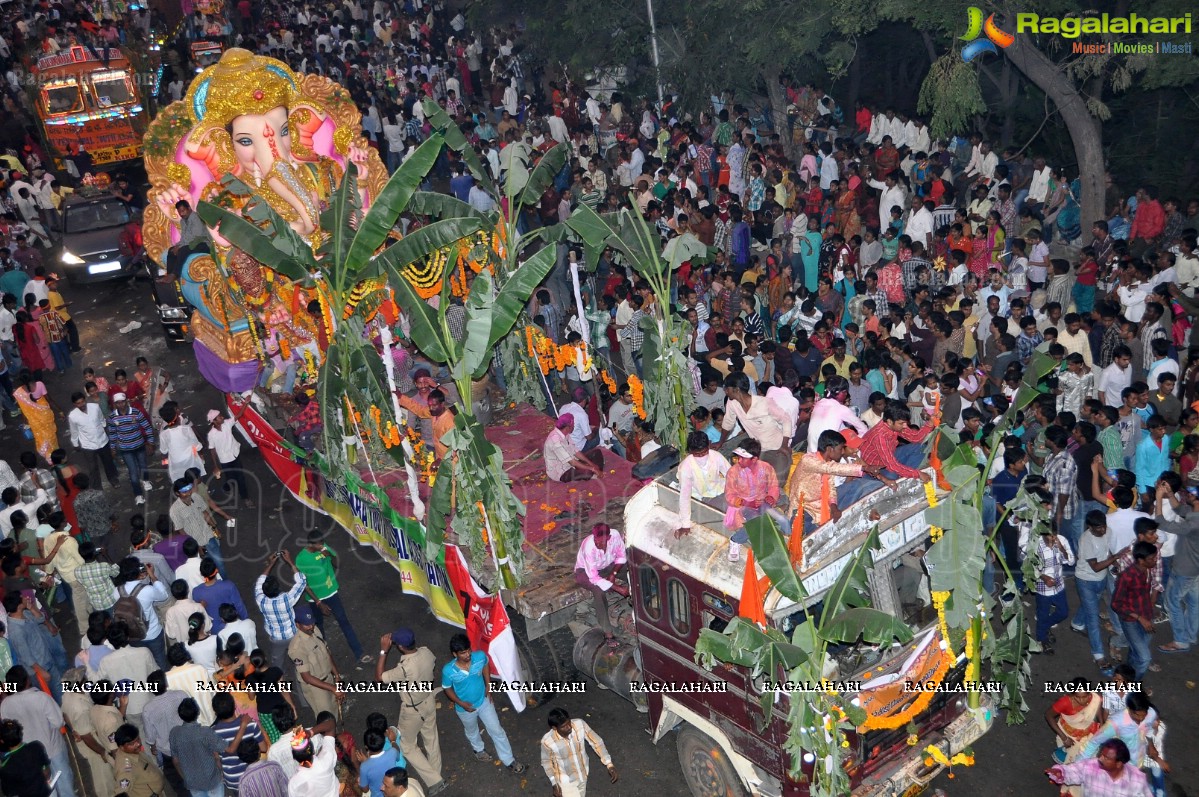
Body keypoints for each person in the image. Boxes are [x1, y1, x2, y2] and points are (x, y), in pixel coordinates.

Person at [440, 633, 527, 774]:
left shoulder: (479, 656)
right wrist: (461, 703)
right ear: (454, 654)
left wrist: (488, 685)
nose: (468, 654)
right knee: (472, 730)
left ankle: (509, 760)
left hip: (484, 701)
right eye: (463, 653)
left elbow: (486, 664)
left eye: (468, 650)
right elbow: (447, 688)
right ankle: (478, 749)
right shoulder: (448, 671)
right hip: (465, 709)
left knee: (497, 730)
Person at [376, 628, 445, 795]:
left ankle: (435, 780)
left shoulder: (406, 668)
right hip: (428, 700)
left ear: (400, 646)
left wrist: (384, 650)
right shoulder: (426, 652)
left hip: (413, 710)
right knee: (431, 738)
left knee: (406, 746)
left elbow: (379, 677)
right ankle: (436, 774)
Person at [295, 530, 370, 666]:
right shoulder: (301, 559)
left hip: (331, 592)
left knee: (344, 621)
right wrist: (318, 602)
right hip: (315, 598)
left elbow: (338, 564)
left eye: (323, 543)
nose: (322, 545)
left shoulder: (324, 548)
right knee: (318, 628)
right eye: (319, 544)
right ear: (311, 544)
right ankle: (324, 659)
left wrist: (328, 554)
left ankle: (359, 653)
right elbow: (303, 584)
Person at [0, 665, 77, 797]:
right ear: (27, 680)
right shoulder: (41, 698)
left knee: (43, 787)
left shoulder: (6, 704)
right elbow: (58, 722)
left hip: (29, 756)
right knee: (64, 784)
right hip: (53, 749)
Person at [169, 697, 240, 797]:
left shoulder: (174, 733)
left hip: (192, 783)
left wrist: (186, 778)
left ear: (180, 715)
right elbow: (224, 752)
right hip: (212, 780)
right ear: (197, 713)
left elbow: (176, 761)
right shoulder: (205, 732)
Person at [540, 707, 617, 797]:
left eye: (569, 722)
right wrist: (554, 783)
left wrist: (609, 764)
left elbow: (597, 742)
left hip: (583, 774)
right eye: (564, 726)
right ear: (554, 728)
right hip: (566, 781)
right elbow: (546, 762)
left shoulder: (579, 724)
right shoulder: (547, 741)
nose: (569, 727)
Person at [575, 523, 629, 648]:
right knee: (598, 591)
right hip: (585, 572)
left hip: (606, 566)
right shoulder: (589, 547)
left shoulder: (615, 536)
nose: (597, 544)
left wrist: (613, 574)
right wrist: (618, 588)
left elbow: (621, 556)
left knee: (631, 569)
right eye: (595, 540)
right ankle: (608, 633)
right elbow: (594, 577)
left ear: (608, 538)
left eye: (601, 541)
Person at [1111, 541, 1159, 680]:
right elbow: (1116, 604)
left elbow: (1145, 595)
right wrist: (1140, 618)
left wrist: (1149, 616)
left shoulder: (1148, 570)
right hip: (1131, 620)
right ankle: (1133, 689)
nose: (1155, 560)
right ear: (1140, 560)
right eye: (1151, 558)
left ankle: (1124, 679)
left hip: (1146, 616)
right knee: (1144, 658)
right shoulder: (1127, 577)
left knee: (1135, 653)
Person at [289, 604, 345, 720]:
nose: (311, 626)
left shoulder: (315, 630)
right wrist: (333, 688)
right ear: (297, 625)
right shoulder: (297, 648)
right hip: (316, 689)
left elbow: (327, 653)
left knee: (335, 709)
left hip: (328, 679)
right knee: (326, 719)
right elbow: (307, 678)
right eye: (307, 624)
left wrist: (337, 676)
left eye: (312, 622)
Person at [255, 550, 307, 674]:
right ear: (278, 588)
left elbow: (259, 581)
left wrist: (270, 563)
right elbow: (302, 581)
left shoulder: (261, 600)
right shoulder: (287, 599)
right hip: (293, 634)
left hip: (276, 638)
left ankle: (281, 683)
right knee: (300, 661)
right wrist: (290, 561)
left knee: (277, 663)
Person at [1046, 738, 1152, 797]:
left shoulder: (1137, 780)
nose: (1100, 759)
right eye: (1101, 754)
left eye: (1106, 758)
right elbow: (1072, 771)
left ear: (1119, 764)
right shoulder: (1091, 766)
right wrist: (1060, 772)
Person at [673, 431, 731, 537]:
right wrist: (685, 523)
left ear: (708, 446)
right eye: (697, 454)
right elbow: (685, 496)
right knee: (729, 511)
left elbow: (731, 475)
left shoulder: (716, 456)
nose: (701, 457)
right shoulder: (686, 467)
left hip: (720, 489)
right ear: (691, 451)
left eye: (704, 453)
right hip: (703, 497)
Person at [107, 392, 155, 505]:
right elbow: (112, 434)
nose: (121, 405)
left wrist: (151, 442)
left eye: (122, 402)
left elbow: (147, 427)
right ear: (115, 404)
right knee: (133, 472)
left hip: (139, 445)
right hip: (125, 449)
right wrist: (113, 448)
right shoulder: (112, 417)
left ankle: (145, 480)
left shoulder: (136, 412)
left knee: (143, 465)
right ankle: (138, 495)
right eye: (118, 403)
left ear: (126, 401)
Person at [68, 391, 119, 488]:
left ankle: (113, 479)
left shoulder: (95, 407)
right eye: (78, 403)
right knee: (93, 468)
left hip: (102, 440)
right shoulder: (73, 416)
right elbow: (74, 431)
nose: (82, 405)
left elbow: (101, 419)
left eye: (83, 402)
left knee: (108, 462)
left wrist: (104, 427)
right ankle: (97, 488)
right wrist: (75, 444)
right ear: (74, 404)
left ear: (85, 400)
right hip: (88, 445)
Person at [206, 408, 254, 508]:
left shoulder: (227, 423)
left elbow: (238, 415)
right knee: (230, 477)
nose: (222, 417)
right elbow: (212, 450)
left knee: (240, 477)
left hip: (235, 455)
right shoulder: (211, 435)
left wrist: (245, 403)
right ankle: (226, 487)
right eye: (219, 417)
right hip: (224, 460)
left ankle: (246, 498)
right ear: (214, 421)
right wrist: (215, 466)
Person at [13, 369, 59, 464]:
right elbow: (49, 400)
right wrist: (60, 410)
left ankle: (49, 457)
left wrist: (25, 421)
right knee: (50, 435)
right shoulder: (39, 384)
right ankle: (56, 453)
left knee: (42, 437)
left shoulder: (19, 392)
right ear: (31, 375)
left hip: (34, 421)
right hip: (45, 415)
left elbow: (24, 410)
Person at [0, 718, 53, 797]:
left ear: (2, 741)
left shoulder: (6, 766)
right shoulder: (36, 746)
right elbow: (47, 771)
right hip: (46, 792)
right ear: (20, 733)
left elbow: (9, 792)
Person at [544, 413, 604, 481]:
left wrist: (591, 464)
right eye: (573, 425)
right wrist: (591, 468)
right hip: (562, 472)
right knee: (586, 472)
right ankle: (592, 473)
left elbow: (576, 451)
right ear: (567, 427)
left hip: (573, 462)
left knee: (597, 453)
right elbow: (572, 462)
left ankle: (594, 472)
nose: (574, 426)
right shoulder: (555, 442)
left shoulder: (565, 433)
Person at [112, 724, 167, 797]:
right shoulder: (126, 768)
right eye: (131, 743)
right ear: (121, 747)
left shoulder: (132, 751)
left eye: (138, 739)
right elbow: (120, 793)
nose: (138, 744)